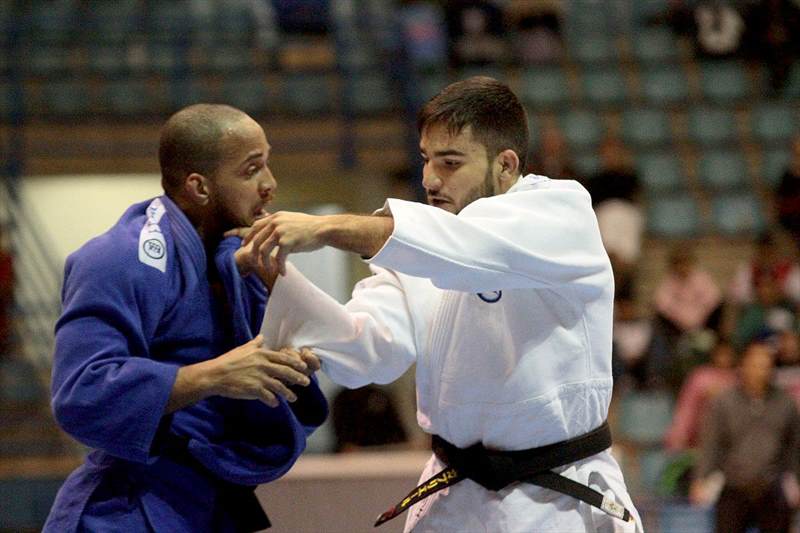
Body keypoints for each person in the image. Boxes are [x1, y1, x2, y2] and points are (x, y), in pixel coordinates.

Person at [237, 77, 641, 532]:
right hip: (455, 501)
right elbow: (367, 351)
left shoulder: (561, 213)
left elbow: (468, 248)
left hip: (557, 502)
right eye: (426, 159)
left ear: (505, 165)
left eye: (450, 162)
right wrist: (278, 280)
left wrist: (327, 228)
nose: (430, 179)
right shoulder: (422, 245)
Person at [44, 104, 328, 532]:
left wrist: (284, 362)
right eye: (252, 169)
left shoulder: (235, 261)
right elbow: (80, 392)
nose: (270, 184)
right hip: (126, 510)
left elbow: (267, 395)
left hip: (209, 504)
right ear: (199, 187)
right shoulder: (118, 257)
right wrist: (215, 376)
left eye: (267, 163)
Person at [691, 341, 800, 533]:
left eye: (765, 366)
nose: (760, 371)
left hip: (772, 486)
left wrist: (795, 480)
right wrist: (701, 477)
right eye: (755, 365)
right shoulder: (724, 402)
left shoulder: (786, 404)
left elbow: (793, 446)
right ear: (743, 366)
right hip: (733, 485)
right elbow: (712, 443)